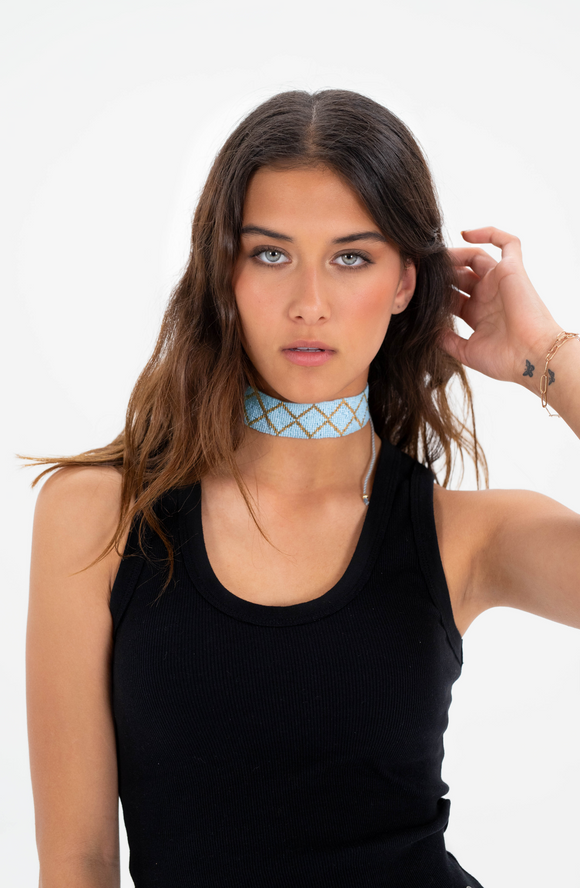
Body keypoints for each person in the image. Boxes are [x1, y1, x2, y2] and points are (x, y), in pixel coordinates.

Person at [24, 89, 580, 888]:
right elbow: (78, 864)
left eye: (351, 257)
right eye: (271, 254)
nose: (309, 305)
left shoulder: (465, 536)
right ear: (224, 272)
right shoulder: (99, 516)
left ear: (406, 282)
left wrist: (544, 353)